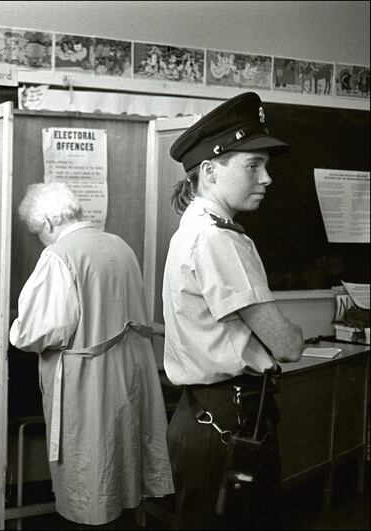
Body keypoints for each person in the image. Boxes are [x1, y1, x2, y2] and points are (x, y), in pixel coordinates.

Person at [162, 92, 304, 529]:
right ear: (209, 171)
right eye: (252, 166)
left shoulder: (196, 230)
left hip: (208, 414)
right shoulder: (217, 239)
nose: (266, 178)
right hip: (229, 418)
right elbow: (288, 346)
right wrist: (289, 334)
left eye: (266, 166)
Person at [9, 182, 174, 528]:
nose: (41, 238)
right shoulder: (119, 245)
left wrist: (16, 330)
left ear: (48, 223)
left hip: (88, 380)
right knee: (123, 461)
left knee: (91, 471)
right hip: (129, 372)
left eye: (38, 231)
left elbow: (32, 333)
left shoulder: (59, 255)